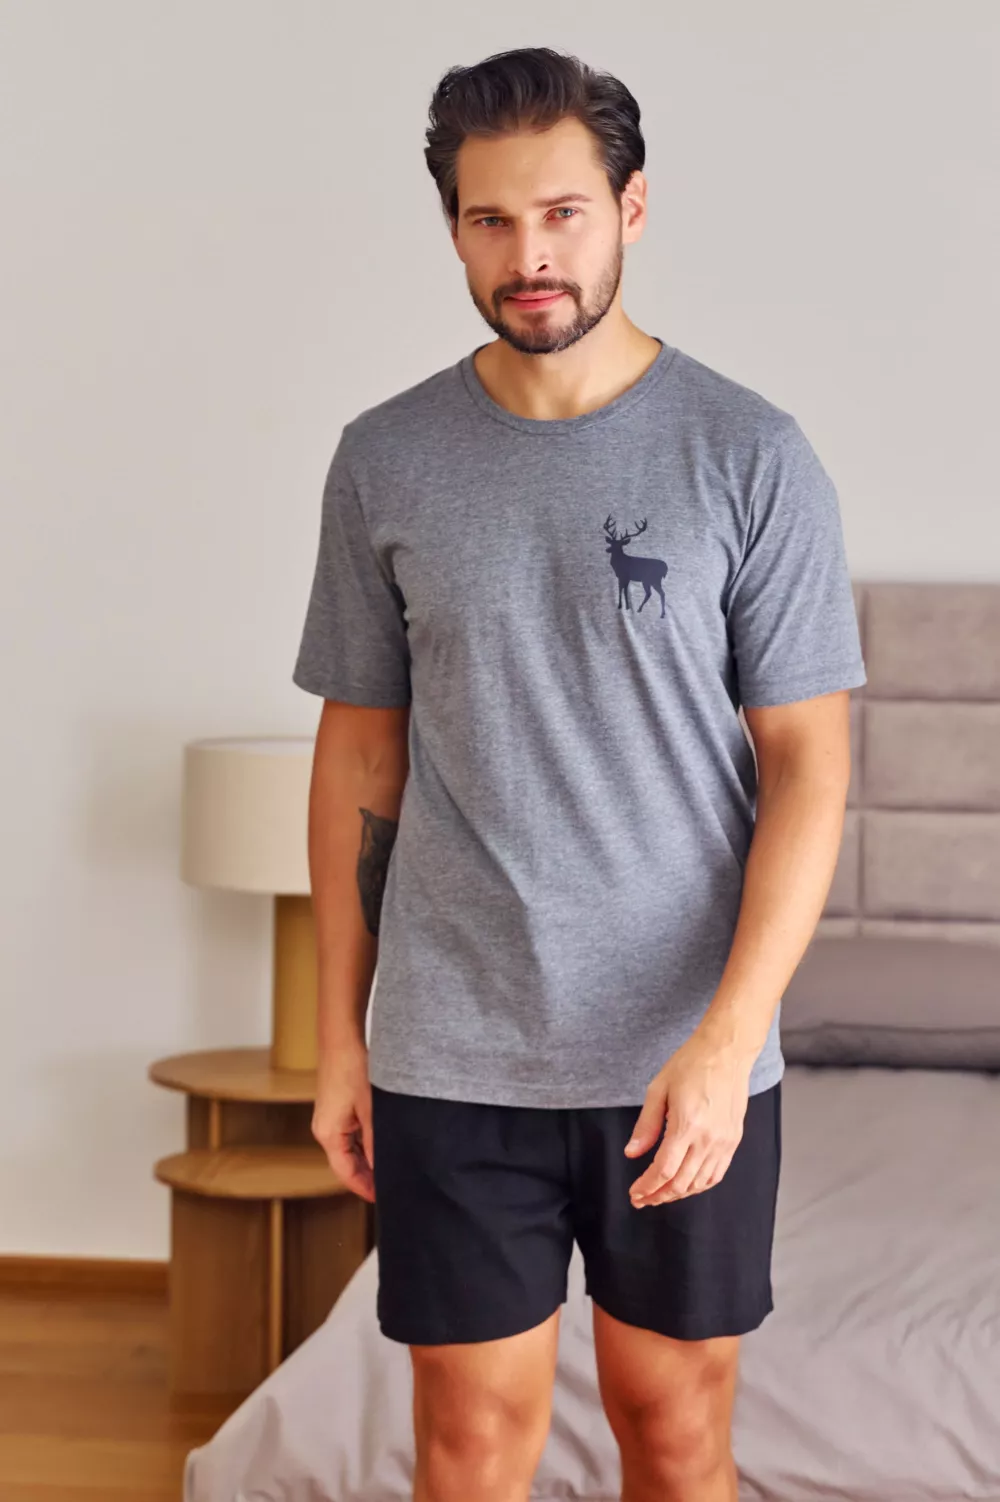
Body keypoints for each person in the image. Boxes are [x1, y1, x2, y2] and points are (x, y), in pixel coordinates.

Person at [292, 45, 866, 1502]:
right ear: (452, 227)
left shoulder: (751, 454)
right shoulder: (384, 459)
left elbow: (809, 764)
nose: (529, 254)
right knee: (469, 1443)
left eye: (562, 213)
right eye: (490, 220)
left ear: (632, 209)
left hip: (681, 1054)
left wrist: (731, 1040)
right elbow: (361, 752)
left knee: (674, 1437)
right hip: (453, 1044)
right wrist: (340, 1034)